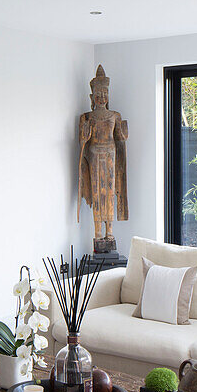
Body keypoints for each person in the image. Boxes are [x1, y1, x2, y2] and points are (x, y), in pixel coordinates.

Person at [78, 65, 128, 252]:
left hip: (110, 157)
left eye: (104, 93)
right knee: (97, 193)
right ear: (92, 97)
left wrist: (124, 133)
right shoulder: (87, 117)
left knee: (109, 192)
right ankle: (98, 233)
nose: (101, 97)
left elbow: (120, 138)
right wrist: (85, 134)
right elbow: (83, 141)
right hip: (93, 155)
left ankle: (110, 232)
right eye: (97, 94)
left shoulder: (115, 115)